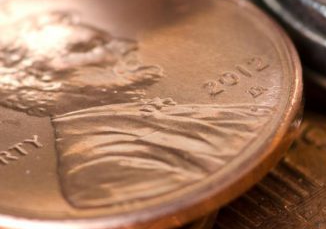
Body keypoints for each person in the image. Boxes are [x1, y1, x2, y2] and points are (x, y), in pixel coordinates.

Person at [0, 12, 271, 209]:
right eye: (92, 46)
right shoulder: (103, 170)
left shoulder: (163, 114)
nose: (127, 44)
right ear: (39, 80)